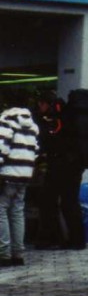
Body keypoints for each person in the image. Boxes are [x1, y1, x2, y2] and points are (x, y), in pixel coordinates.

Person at [33, 90, 85, 250]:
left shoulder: (56, 119)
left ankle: (50, 238)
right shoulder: (67, 114)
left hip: (62, 166)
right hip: (73, 165)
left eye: (40, 104)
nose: (39, 108)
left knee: (49, 201)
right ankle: (76, 240)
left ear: (46, 103)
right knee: (69, 203)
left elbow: (51, 141)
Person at [0, 104, 40, 266]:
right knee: (17, 212)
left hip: (6, 175)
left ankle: (3, 253)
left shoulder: (6, 122)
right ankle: (18, 253)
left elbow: (1, 149)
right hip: (24, 176)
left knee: (1, 211)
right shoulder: (33, 126)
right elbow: (35, 151)